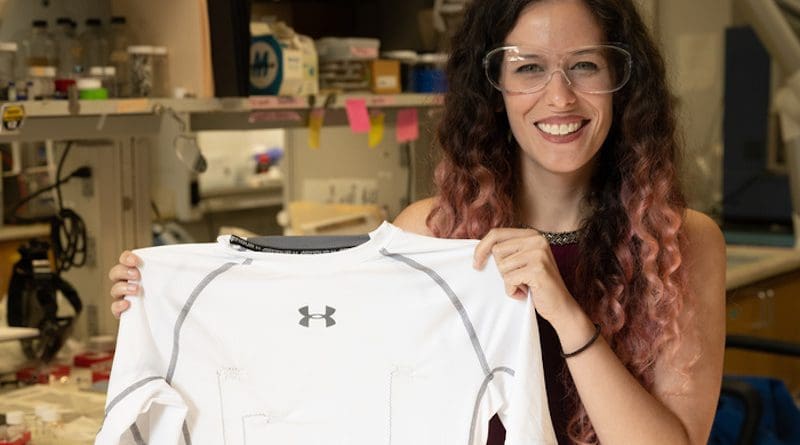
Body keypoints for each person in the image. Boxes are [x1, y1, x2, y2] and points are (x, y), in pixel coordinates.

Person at [109, 0, 726, 443]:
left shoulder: (679, 243)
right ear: (496, 87)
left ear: (622, 82)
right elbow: (322, 363)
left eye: (585, 66)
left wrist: (565, 314)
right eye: (529, 67)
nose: (560, 98)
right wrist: (166, 302)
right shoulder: (432, 234)